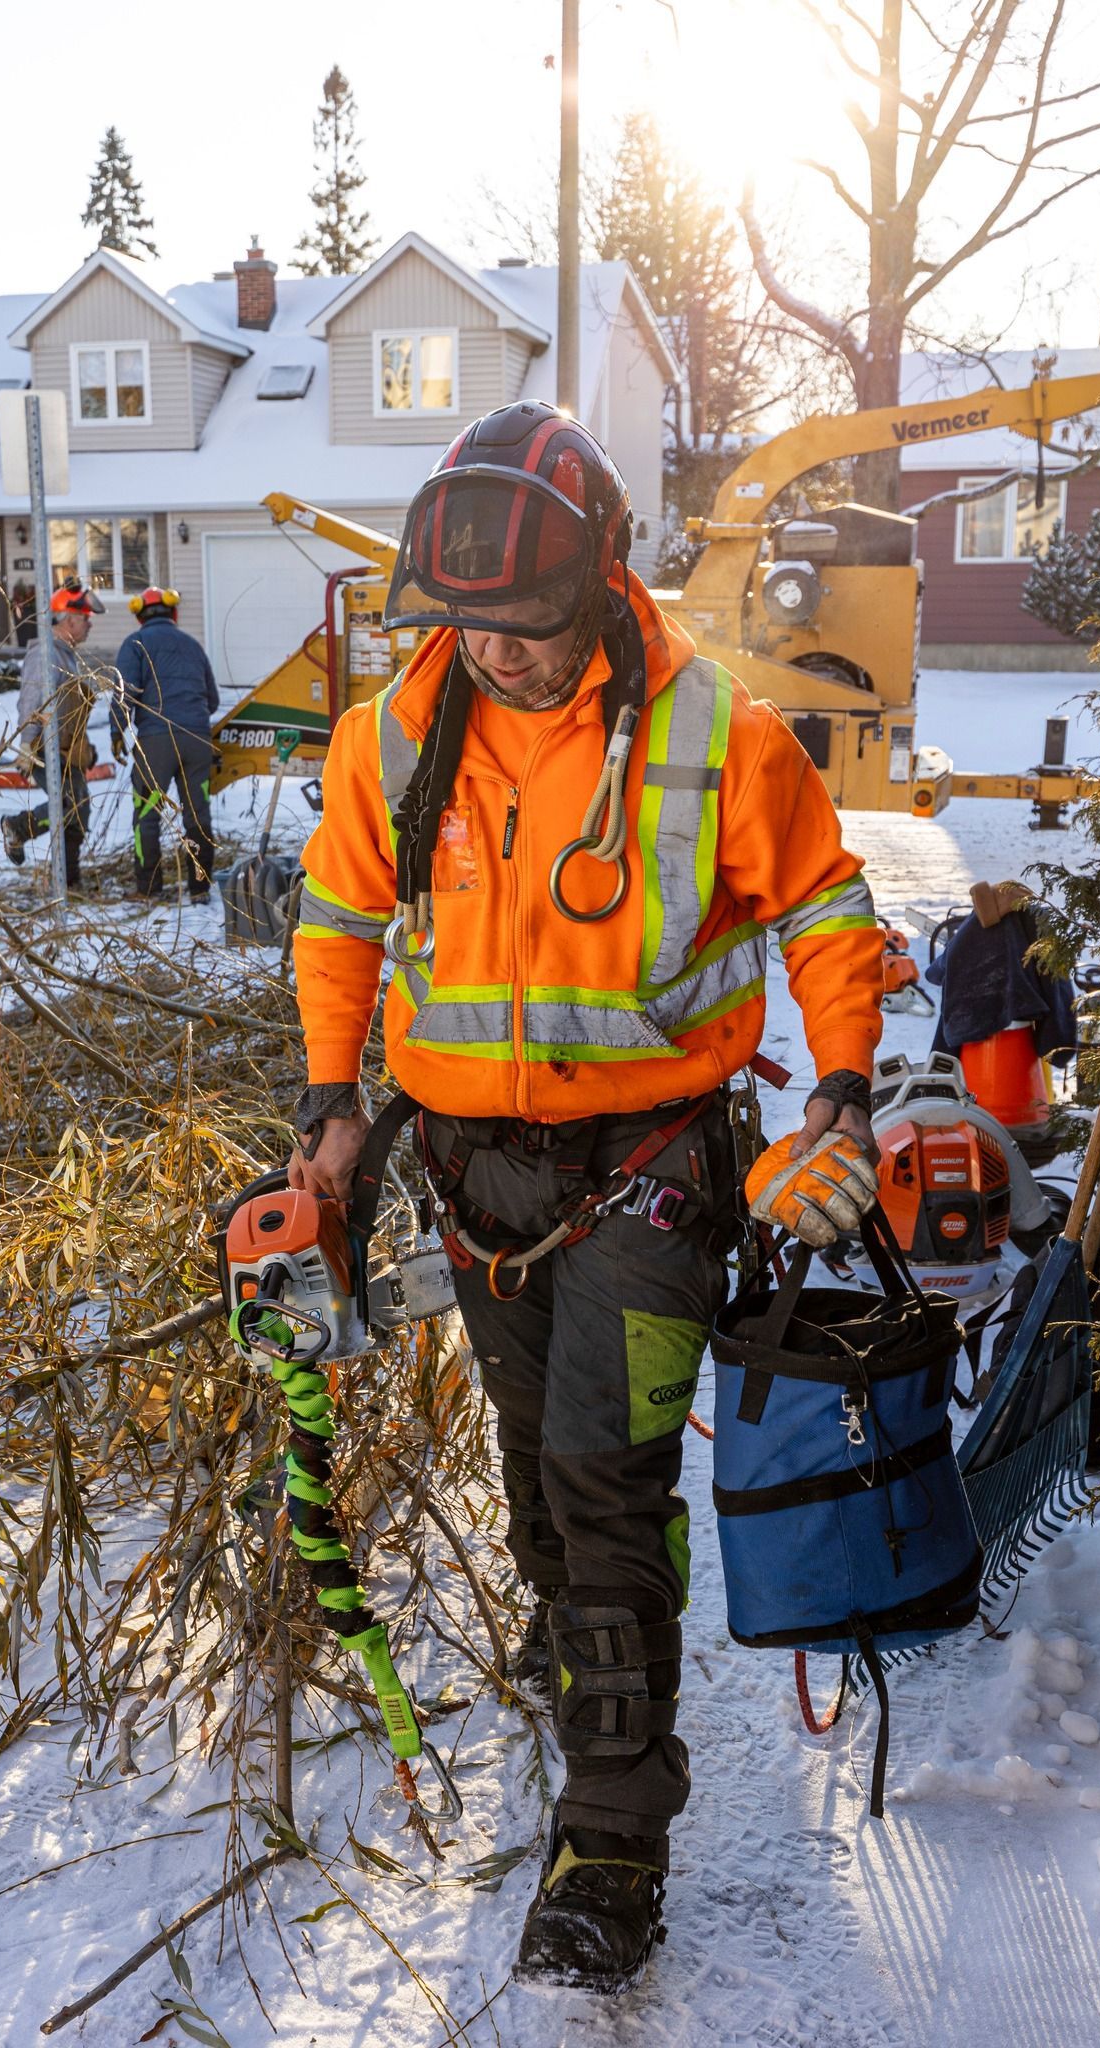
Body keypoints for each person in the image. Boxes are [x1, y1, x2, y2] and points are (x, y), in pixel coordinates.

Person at [288, 402, 885, 1993]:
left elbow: (826, 905)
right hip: (469, 1178)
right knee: (540, 1489)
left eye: (530, 626)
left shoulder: (717, 738)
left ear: (600, 583)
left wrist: (838, 1083)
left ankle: (614, 1834)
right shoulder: (392, 740)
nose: (502, 657)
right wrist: (329, 1106)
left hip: (654, 1178)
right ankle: (593, 1688)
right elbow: (340, 923)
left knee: (601, 1479)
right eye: (470, 626)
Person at [111, 586, 220, 903]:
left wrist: (118, 732)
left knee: (146, 814)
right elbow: (211, 700)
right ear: (173, 613)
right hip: (198, 740)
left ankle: (148, 888)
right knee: (197, 816)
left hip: (156, 743)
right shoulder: (193, 646)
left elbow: (124, 694)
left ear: (139, 616)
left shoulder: (135, 643)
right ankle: (200, 889)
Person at [1, 583, 104, 887]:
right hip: (44, 747)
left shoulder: (66, 656)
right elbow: (31, 700)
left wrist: (85, 747)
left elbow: (70, 707)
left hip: (66, 749)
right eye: (85, 618)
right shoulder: (45, 655)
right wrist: (25, 745)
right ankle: (18, 828)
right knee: (69, 805)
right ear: (69, 619)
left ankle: (70, 884)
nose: (89, 624)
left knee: (78, 811)